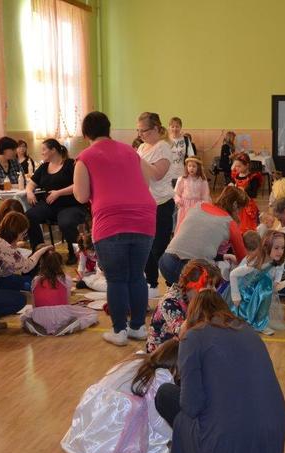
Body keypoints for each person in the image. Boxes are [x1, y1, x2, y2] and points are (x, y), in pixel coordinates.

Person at [154, 289, 285, 453]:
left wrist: (184, 334)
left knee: (165, 394)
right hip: (273, 434)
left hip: (225, 443)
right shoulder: (249, 332)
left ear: (192, 315)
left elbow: (191, 406)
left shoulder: (193, 337)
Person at [73, 111, 157, 347]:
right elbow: (146, 181)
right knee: (136, 275)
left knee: (117, 279)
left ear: (86, 134)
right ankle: (138, 327)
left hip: (111, 221)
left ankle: (119, 330)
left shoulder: (85, 157)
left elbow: (81, 196)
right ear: (108, 129)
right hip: (144, 217)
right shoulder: (130, 151)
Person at [61, 339, 178, 453]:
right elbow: (156, 421)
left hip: (92, 414)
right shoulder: (161, 376)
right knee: (153, 427)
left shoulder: (138, 358)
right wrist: (176, 435)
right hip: (111, 424)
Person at [159, 186, 248, 286]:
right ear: (235, 206)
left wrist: (223, 256)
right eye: (241, 209)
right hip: (192, 272)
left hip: (166, 263)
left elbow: (192, 242)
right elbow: (243, 260)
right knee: (219, 281)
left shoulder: (198, 205)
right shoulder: (230, 223)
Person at [25, 138, 87, 264]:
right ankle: (39, 250)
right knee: (29, 216)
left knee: (66, 222)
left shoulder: (70, 164)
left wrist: (59, 193)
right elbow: (31, 183)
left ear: (53, 150)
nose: (42, 153)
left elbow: (79, 184)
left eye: (44, 150)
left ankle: (74, 252)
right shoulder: (44, 167)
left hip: (71, 205)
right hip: (50, 205)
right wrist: (29, 192)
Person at [136, 112, 175, 299]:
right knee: (145, 247)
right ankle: (151, 283)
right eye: (138, 131)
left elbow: (158, 174)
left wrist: (137, 160)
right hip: (144, 204)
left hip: (161, 204)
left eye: (143, 131)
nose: (140, 134)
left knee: (159, 248)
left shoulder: (163, 147)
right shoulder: (142, 147)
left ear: (155, 129)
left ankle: (172, 285)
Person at [147, 259, 221, 353]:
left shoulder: (195, 297)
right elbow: (183, 335)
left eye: (214, 286)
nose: (214, 290)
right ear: (195, 286)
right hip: (165, 354)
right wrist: (198, 304)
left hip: (187, 347)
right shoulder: (170, 302)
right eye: (210, 285)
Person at [20, 249, 98, 336]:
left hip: (39, 317)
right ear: (60, 264)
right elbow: (66, 302)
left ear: (42, 264)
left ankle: (35, 326)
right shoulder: (65, 279)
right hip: (62, 316)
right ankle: (71, 326)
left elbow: (34, 306)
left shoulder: (36, 280)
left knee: (25, 316)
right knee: (92, 314)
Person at [225, 230, 285, 335]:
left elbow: (280, 268)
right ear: (267, 246)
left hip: (254, 286)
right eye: (276, 248)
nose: (280, 251)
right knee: (266, 284)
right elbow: (233, 274)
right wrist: (236, 296)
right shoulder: (256, 261)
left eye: (283, 248)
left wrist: (277, 281)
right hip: (242, 289)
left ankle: (260, 324)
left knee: (266, 283)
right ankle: (253, 322)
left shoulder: (274, 259)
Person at [174, 157, 210, 232]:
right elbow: (176, 193)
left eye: (194, 166)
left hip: (196, 207)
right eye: (189, 166)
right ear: (186, 167)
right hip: (184, 206)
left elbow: (205, 195)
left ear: (198, 168)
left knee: (194, 226)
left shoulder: (202, 181)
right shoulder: (182, 179)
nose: (191, 168)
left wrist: (203, 205)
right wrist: (178, 200)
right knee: (183, 226)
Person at [230, 152, 262, 232]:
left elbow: (253, 194)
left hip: (247, 206)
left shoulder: (253, 178)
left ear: (247, 165)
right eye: (236, 166)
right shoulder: (235, 175)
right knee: (237, 227)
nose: (236, 168)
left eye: (239, 166)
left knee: (247, 227)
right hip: (237, 206)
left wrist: (243, 191)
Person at [75, 227, 104, 292]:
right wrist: (80, 274)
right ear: (85, 248)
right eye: (90, 251)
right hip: (90, 271)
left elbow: (100, 267)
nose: (91, 254)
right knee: (85, 276)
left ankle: (87, 283)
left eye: (93, 251)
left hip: (99, 271)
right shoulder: (83, 252)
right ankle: (87, 282)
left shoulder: (100, 250)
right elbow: (81, 265)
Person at [168, 116, 195, 185]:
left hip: (182, 174)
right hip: (167, 175)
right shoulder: (165, 140)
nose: (175, 129)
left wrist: (189, 170)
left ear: (180, 127)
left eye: (177, 126)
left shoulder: (186, 139)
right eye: (172, 126)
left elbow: (191, 157)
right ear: (169, 127)